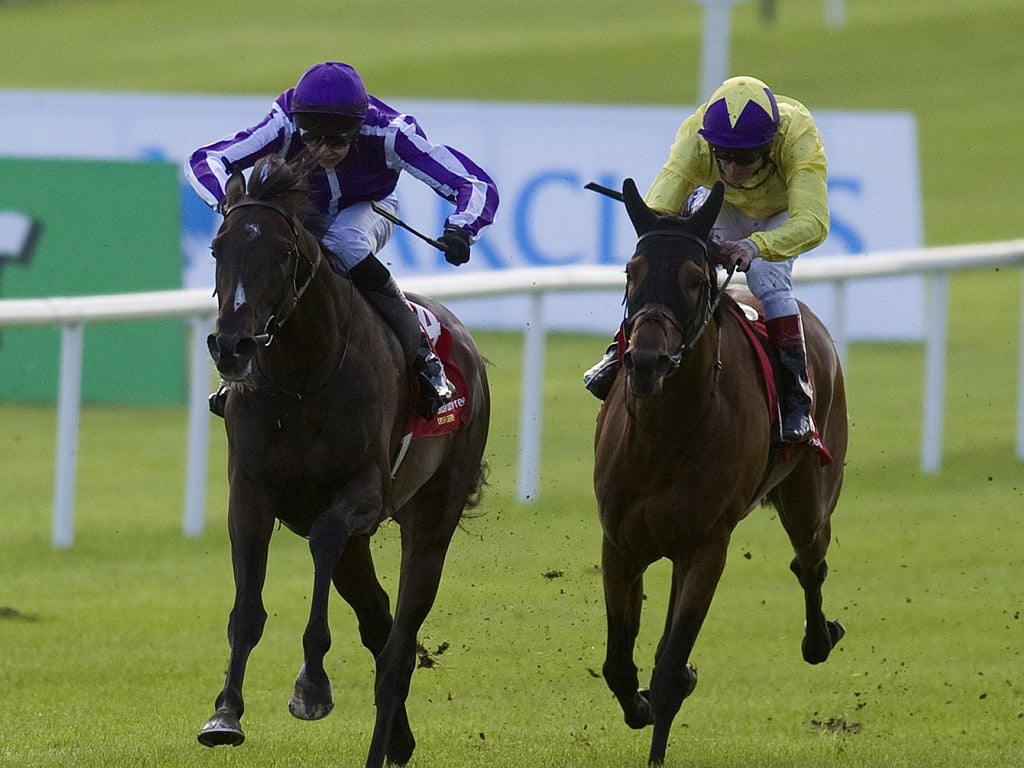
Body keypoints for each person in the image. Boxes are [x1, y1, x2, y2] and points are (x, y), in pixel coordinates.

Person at [186, 61, 499, 420]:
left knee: (344, 241)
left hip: (369, 205)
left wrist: (462, 227)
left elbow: (474, 183)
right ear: (299, 125)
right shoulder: (285, 121)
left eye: (337, 140)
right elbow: (206, 159)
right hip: (302, 206)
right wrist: (229, 202)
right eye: (312, 138)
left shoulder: (390, 132)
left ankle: (423, 357)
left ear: (358, 127)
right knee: (268, 241)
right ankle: (243, 362)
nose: (322, 151)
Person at [583, 75, 829, 442]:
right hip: (723, 203)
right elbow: (660, 205)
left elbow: (813, 222)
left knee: (767, 282)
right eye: (725, 156)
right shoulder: (695, 139)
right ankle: (620, 350)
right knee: (666, 264)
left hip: (781, 213)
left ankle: (796, 394)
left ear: (769, 146)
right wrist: (665, 234)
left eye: (745, 157)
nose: (733, 169)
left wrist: (755, 246)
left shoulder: (797, 138)